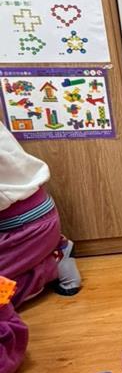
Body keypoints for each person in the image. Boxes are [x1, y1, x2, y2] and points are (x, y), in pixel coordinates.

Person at [0, 120, 81, 307]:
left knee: (5, 294)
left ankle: (53, 260)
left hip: (24, 226)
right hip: (34, 215)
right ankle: (51, 252)